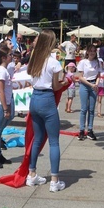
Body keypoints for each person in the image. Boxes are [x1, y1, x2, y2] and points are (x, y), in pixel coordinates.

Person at [26, 29, 67, 192]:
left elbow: (30, 75)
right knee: (54, 141)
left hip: (34, 98)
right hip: (47, 99)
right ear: (50, 43)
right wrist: (64, 83)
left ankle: (32, 174)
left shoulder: (35, 58)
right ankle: (55, 180)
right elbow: (56, 85)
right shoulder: (53, 62)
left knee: (37, 138)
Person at [76, 44, 102, 140]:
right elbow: (80, 77)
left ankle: (90, 130)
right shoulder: (83, 62)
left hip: (94, 85)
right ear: (87, 52)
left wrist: (96, 84)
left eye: (94, 51)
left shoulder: (98, 62)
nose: (92, 53)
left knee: (91, 109)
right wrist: (91, 85)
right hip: (85, 85)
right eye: (90, 51)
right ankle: (82, 130)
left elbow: (99, 75)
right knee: (84, 109)